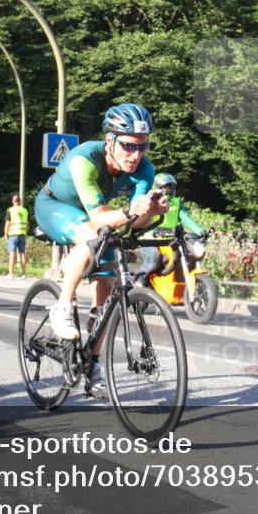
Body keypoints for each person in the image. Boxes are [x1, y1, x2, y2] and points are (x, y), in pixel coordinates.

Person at [34, 103, 169, 397]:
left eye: (142, 146)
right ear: (110, 140)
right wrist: (130, 210)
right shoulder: (84, 159)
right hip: (56, 206)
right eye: (128, 146)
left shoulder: (144, 169)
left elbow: (134, 222)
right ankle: (62, 307)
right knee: (87, 235)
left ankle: (92, 367)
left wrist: (152, 211)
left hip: (99, 218)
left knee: (107, 286)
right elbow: (97, 219)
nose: (135, 155)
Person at [135, 173, 206, 284]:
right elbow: (153, 231)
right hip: (147, 240)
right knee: (154, 257)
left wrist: (200, 231)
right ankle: (139, 279)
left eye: (172, 187)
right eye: (167, 187)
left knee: (187, 252)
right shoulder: (150, 202)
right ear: (158, 187)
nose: (171, 190)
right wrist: (174, 233)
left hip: (167, 239)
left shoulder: (176, 203)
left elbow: (186, 218)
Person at [4, 194, 29, 280]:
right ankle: (23, 274)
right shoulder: (25, 210)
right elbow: (27, 224)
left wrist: (6, 235)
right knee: (22, 254)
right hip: (22, 234)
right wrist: (25, 232)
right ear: (20, 201)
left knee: (12, 254)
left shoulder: (10, 210)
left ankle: (11, 274)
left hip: (13, 235)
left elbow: (7, 224)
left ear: (13, 201)